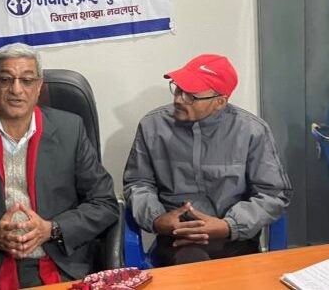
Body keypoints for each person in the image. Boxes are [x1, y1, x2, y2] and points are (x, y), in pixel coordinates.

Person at [0, 43, 118, 289]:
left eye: (27, 80)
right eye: (6, 79)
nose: (16, 90)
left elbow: (104, 203)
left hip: (59, 264)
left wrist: (52, 229)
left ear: (39, 86)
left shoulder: (71, 130)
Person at [123, 54, 292, 267]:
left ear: (220, 102)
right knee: (192, 262)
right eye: (177, 89)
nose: (178, 99)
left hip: (233, 238)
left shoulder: (251, 131)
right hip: (176, 237)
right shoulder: (153, 126)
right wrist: (157, 219)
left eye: (190, 96)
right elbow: (138, 183)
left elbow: (273, 194)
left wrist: (229, 226)